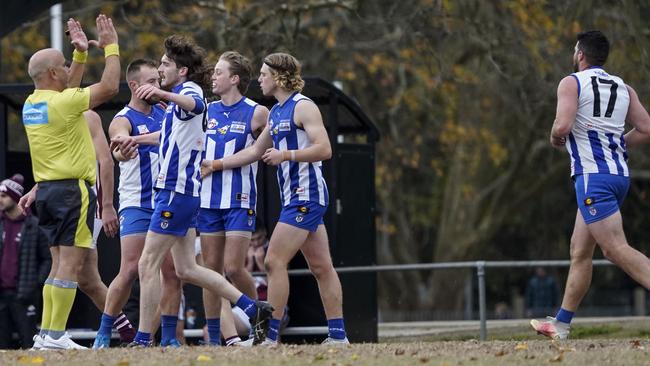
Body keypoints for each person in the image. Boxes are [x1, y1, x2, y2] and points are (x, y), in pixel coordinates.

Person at [127, 35, 272, 347]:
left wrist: (162, 93)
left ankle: (140, 340)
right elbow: (166, 135)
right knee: (188, 268)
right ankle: (252, 307)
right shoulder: (174, 100)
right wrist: (134, 140)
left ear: (181, 71)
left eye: (165, 64)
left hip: (176, 192)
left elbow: (195, 104)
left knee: (146, 264)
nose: (160, 69)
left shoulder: (188, 91)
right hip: (188, 194)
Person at [201, 52, 349, 345]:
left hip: (306, 196)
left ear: (280, 77)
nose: (259, 79)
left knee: (272, 261)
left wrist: (286, 155)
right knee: (321, 267)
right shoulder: (278, 111)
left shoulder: (303, 107)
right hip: (295, 198)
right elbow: (254, 152)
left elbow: (324, 149)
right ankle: (338, 335)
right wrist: (215, 164)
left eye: (264, 74)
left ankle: (267, 337)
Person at [530, 30, 650, 340]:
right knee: (579, 251)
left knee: (615, 250)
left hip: (592, 178)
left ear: (580, 54)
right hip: (618, 176)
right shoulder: (623, 87)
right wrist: (618, 144)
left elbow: (563, 125)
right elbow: (646, 127)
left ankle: (562, 325)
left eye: (574, 51)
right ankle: (561, 324)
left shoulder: (572, 82)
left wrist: (556, 137)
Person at [18, 14, 120, 349]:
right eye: (62, 65)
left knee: (58, 265)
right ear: (51, 73)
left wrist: (77, 55)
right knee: (71, 266)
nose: (67, 69)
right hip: (72, 192)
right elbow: (108, 88)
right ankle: (56, 336)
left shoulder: (33, 105)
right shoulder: (64, 104)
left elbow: (67, 88)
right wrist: (110, 48)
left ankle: (47, 333)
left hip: (46, 192)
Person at [92, 58, 181, 348]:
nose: (158, 86)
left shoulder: (166, 111)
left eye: (159, 80)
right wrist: (122, 147)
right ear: (134, 85)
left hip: (166, 199)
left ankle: (167, 337)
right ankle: (104, 332)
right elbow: (117, 138)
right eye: (152, 82)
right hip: (137, 202)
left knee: (172, 272)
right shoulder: (124, 117)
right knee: (130, 269)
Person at [198, 51, 268, 346]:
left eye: (219, 72)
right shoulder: (206, 110)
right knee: (210, 273)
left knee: (234, 268)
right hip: (207, 201)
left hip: (239, 199)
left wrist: (217, 164)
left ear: (235, 79)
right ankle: (218, 338)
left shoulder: (256, 112)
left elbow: (260, 150)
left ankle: (260, 322)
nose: (213, 76)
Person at [0, 174, 50, 349]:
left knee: (29, 343)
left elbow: (47, 258)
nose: (0, 199)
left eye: (4, 195)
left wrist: (35, 284)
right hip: (1, 295)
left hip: (24, 296)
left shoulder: (34, 225)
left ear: (15, 197)